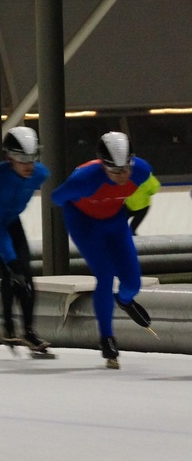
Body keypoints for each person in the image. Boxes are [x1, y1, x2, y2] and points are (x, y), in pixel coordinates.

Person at [51, 131, 153, 370]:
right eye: (115, 171)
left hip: (115, 221)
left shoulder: (141, 170)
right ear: (103, 165)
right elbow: (57, 198)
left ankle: (124, 301)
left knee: (133, 283)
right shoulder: (85, 179)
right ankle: (107, 338)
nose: (122, 175)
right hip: (83, 222)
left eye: (126, 168)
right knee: (105, 274)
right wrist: (85, 200)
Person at [0, 127, 55, 359]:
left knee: (26, 275)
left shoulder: (40, 173)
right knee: (10, 269)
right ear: (9, 158)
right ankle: (7, 326)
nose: (29, 165)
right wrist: (11, 262)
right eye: (22, 159)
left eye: (32, 157)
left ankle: (28, 332)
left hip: (10, 220)